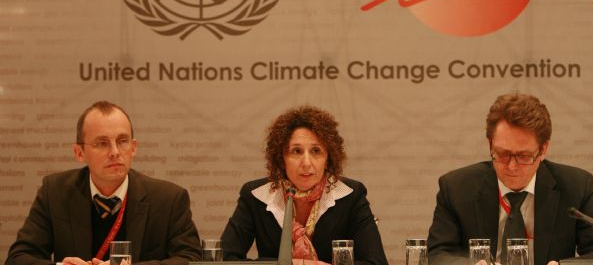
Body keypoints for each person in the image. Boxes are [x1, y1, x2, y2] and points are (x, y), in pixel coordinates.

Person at [5, 101, 202, 265]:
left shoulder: (168, 199)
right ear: (79, 153)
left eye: (122, 141)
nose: (115, 151)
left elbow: (191, 259)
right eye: (102, 143)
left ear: (133, 148)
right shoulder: (55, 192)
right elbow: (18, 258)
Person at [427, 93, 593, 265]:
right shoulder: (456, 188)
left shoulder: (575, 187)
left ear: (543, 149)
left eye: (524, 156)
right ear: (490, 145)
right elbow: (438, 254)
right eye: (503, 154)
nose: (511, 166)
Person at [220, 105, 388, 265]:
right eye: (296, 151)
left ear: (328, 159)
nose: (306, 162)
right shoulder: (255, 195)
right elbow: (224, 259)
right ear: (281, 158)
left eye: (316, 151)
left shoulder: (351, 195)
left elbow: (376, 262)